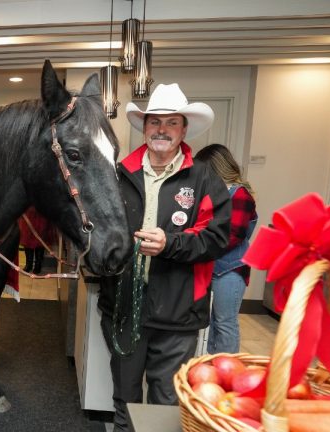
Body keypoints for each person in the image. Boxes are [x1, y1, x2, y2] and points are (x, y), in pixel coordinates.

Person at [98, 83, 231, 431]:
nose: (161, 129)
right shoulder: (119, 173)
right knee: (124, 400)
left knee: (166, 404)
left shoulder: (203, 179)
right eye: (155, 121)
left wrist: (169, 245)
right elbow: (99, 230)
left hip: (178, 314)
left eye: (171, 123)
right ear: (144, 127)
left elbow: (217, 238)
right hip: (126, 309)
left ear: (184, 129)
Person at [194, 144, 257, 354]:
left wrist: (198, 248)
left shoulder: (240, 195)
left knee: (225, 323)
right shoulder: (215, 193)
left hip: (230, 271)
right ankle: (212, 369)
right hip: (212, 267)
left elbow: (233, 236)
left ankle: (226, 371)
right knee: (212, 323)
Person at [18, 207, 58, 274]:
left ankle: (38, 265)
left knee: (40, 240)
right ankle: (28, 264)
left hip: (41, 213)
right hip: (29, 212)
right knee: (27, 239)